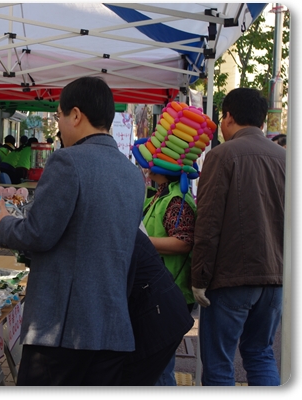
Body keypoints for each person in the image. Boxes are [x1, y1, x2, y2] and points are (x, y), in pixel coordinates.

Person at [0, 76, 146, 385]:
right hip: (112, 328)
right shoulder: (133, 174)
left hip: (63, 330)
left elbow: (38, 233)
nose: (59, 126)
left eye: (58, 117)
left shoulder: (68, 161)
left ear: (76, 115)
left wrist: (3, 226)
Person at [191, 88, 285, 386]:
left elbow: (208, 223)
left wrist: (199, 277)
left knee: (219, 363)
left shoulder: (222, 155)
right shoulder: (286, 158)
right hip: (275, 278)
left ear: (228, 117)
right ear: (262, 120)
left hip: (231, 278)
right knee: (261, 354)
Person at [138, 170, 197, 386]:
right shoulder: (162, 195)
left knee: (160, 368)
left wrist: (140, 241)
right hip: (159, 288)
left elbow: (183, 241)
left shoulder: (176, 200)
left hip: (169, 291)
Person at [121, 229, 194, 386]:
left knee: (162, 374)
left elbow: (184, 242)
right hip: (154, 293)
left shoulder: (177, 208)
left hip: (160, 299)